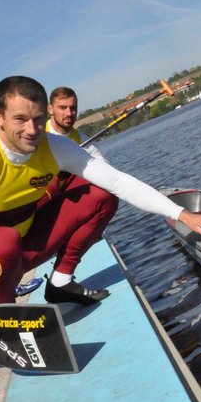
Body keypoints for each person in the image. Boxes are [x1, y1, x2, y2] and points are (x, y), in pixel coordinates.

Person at [0, 75, 201, 347]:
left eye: (37, 119)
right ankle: (7, 322)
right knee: (3, 239)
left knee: (99, 196)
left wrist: (180, 214)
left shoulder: (54, 145)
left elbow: (118, 181)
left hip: (20, 251)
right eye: (20, 119)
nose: (32, 130)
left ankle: (61, 282)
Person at [43, 85, 118, 303]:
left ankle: (61, 278)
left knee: (106, 194)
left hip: (64, 204)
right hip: (39, 206)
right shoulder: (40, 137)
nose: (69, 113)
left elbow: (107, 173)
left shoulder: (80, 138)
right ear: (50, 109)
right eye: (62, 108)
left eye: (73, 108)